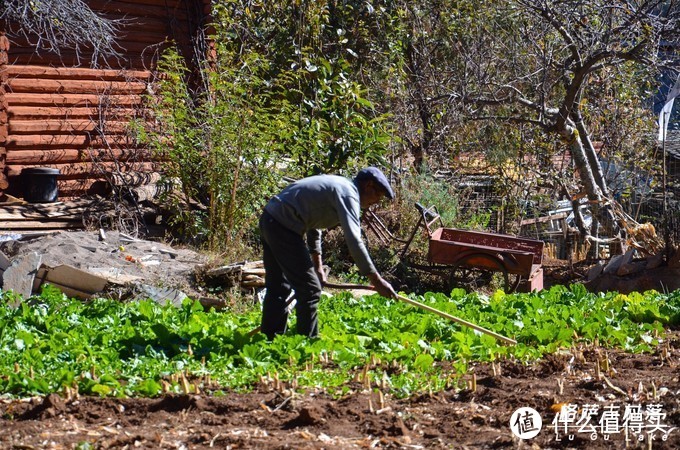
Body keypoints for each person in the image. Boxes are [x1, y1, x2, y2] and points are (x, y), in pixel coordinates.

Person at [258, 167, 398, 339]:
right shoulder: (349, 194)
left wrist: (318, 266)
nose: (376, 202)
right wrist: (376, 280)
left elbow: (313, 224)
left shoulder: (339, 186)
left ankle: (270, 339)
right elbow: (354, 240)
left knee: (278, 287)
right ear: (369, 185)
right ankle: (305, 345)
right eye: (378, 195)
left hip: (270, 218)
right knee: (309, 289)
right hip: (283, 226)